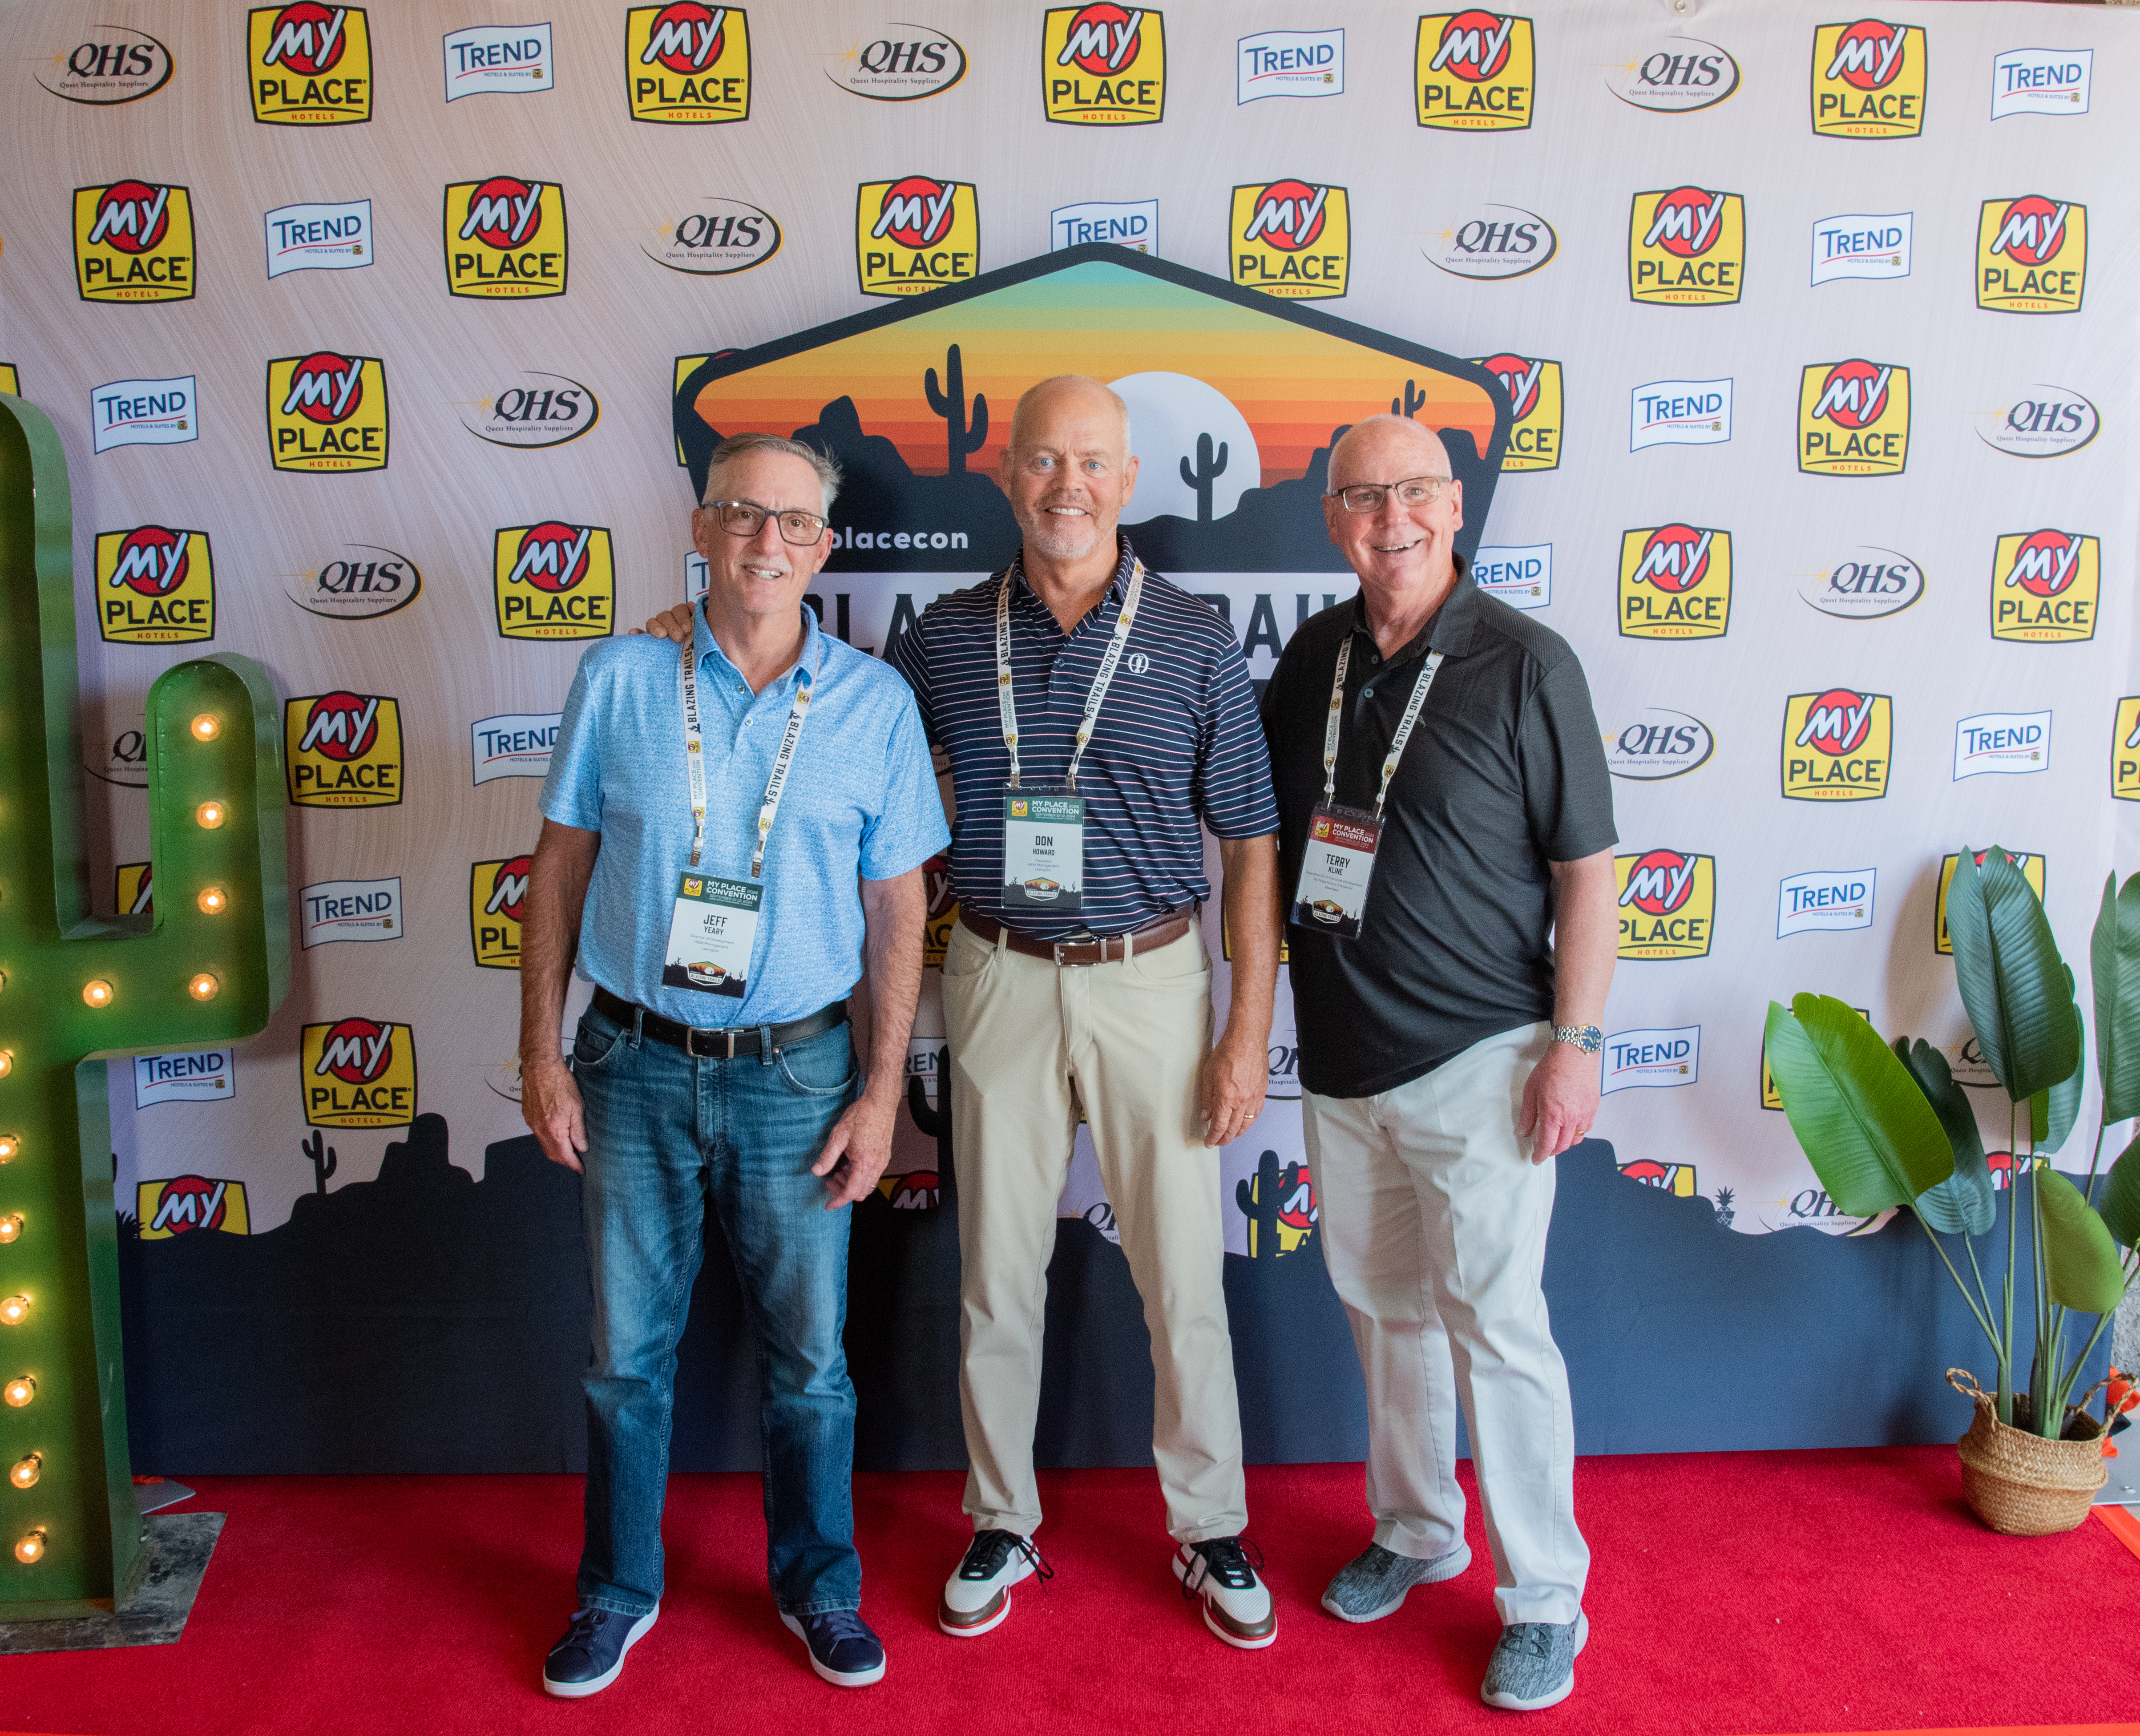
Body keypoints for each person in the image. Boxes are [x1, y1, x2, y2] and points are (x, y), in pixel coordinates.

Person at [647, 375, 1286, 1650]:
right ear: (1007, 477)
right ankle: (1003, 1518)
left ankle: (1209, 1529)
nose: (1068, 486)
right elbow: (838, 753)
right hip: (993, 968)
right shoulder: (941, 638)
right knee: (997, 1272)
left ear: (1128, 480)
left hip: (1155, 972)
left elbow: (1253, 848)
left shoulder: (1202, 636)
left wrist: (1242, 1029)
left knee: (1179, 1278)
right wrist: (681, 635)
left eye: (1092, 463)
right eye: (1044, 461)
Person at [521, 432, 948, 1697]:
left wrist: (881, 1093)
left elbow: (897, 913)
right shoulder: (619, 675)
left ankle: (821, 1589)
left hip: (802, 1077)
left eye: (795, 523)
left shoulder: (874, 705)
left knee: (811, 1364)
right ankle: (614, 1591)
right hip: (632, 1062)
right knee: (623, 1360)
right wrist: (538, 1051)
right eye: (741, 515)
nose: (768, 541)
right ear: (701, 530)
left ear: (824, 548)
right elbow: (556, 872)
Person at [1260, 414, 1617, 1712]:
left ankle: (1542, 1601)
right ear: (1333, 516)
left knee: (1498, 1330)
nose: (1389, 518)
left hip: (1485, 1059)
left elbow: (1588, 876)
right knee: (1383, 1313)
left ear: (1454, 505)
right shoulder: (1313, 654)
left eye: (1412, 492)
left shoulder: (1527, 664)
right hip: (1342, 1063)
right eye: (1362, 496)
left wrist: (1572, 1048)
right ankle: (1416, 1531)